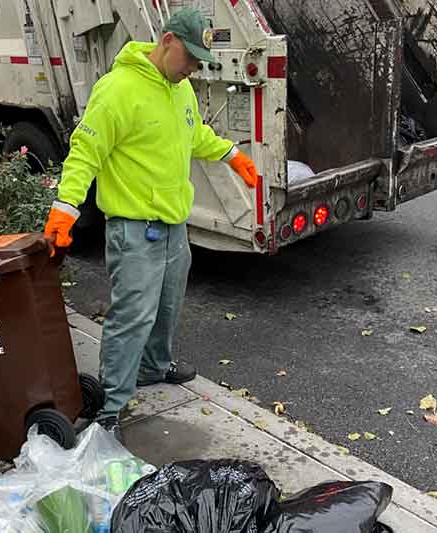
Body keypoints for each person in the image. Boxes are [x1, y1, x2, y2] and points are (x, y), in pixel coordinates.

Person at [43, 8, 259, 443]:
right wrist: (65, 208)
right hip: (135, 228)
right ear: (167, 41)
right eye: (192, 58)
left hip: (174, 227)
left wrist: (230, 154)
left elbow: (192, 133)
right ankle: (110, 406)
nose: (195, 68)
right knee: (131, 318)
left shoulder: (180, 91)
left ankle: (154, 367)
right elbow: (86, 151)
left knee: (167, 306)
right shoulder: (118, 90)